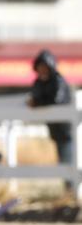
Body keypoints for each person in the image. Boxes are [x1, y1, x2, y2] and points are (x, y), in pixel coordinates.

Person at [28, 49, 72, 183]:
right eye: (40, 66)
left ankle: (71, 186)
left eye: (44, 66)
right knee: (63, 157)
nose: (42, 69)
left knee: (68, 156)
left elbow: (55, 101)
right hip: (54, 127)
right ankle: (69, 186)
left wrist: (37, 103)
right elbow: (34, 98)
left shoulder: (57, 80)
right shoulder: (39, 82)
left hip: (66, 128)